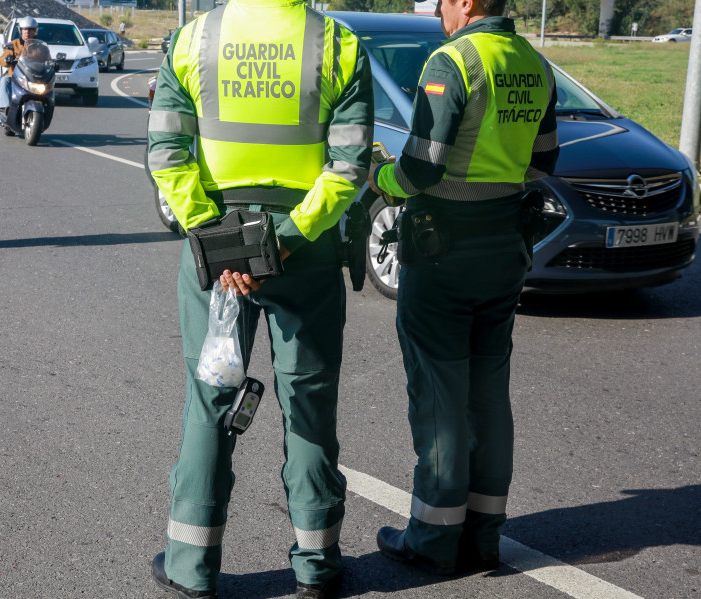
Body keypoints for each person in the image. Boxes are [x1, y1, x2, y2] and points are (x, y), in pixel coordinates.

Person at [147, 0, 373, 596]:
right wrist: (287, 241)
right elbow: (350, 167)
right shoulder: (338, 44)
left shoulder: (192, 39)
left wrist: (221, 246)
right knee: (309, 404)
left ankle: (191, 567)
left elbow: (167, 154)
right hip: (309, 251)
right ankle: (318, 567)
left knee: (210, 399)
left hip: (217, 249)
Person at [367, 0, 559, 577]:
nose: (439, 9)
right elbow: (544, 160)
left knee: (439, 394)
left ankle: (432, 538)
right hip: (506, 248)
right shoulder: (535, 62)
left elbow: (421, 168)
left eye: (445, 0)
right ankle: (483, 535)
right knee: (488, 391)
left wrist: (379, 178)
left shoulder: (452, 62)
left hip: (444, 249)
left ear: (468, 3)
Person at [0, 17, 37, 117]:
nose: (27, 32)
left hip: (33, 77)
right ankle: (5, 109)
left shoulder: (39, 46)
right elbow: (2, 59)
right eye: (25, 29)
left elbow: (47, 58)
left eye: (30, 29)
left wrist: (53, 64)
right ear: (21, 30)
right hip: (15, 76)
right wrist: (7, 59)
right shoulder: (13, 44)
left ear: (35, 31)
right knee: (4, 80)